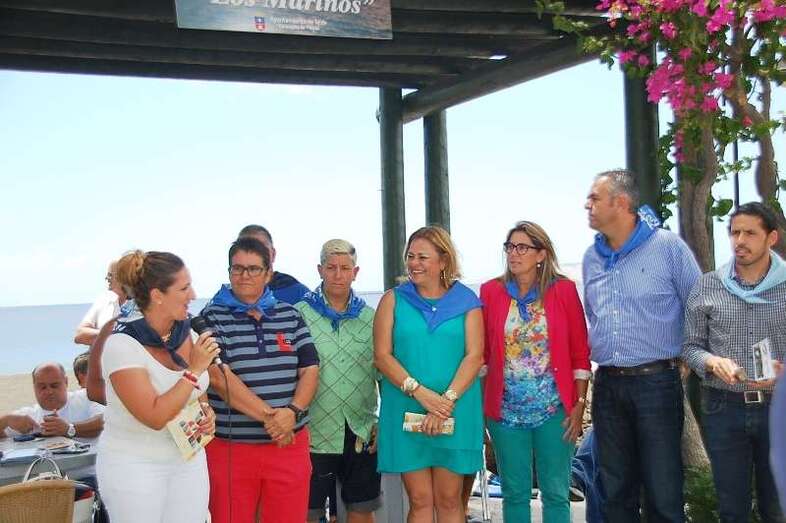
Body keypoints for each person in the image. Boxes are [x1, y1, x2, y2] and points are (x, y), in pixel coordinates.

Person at [583, 169, 701, 522]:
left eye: (594, 198)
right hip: (607, 385)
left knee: (663, 492)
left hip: (656, 385)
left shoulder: (668, 248)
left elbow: (699, 304)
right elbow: (594, 314)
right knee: (614, 493)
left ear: (621, 203)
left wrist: (687, 357)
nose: (587, 205)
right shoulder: (591, 258)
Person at [201, 236, 320, 523]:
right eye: (237, 268)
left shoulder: (291, 315)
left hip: (288, 445)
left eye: (253, 269)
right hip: (231, 450)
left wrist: (292, 412)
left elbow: (310, 368)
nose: (244, 275)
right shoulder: (210, 318)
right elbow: (219, 378)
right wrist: (273, 420)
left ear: (268, 274)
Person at [481, 220, 591, 522]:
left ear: (541, 254)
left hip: (555, 411)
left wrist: (579, 405)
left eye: (522, 248)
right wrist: (481, 410)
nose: (513, 254)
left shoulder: (564, 290)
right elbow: (483, 356)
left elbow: (580, 354)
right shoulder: (491, 291)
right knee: (514, 493)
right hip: (505, 412)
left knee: (556, 493)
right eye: (510, 247)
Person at [682, 202, 786, 522]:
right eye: (734, 232)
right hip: (723, 407)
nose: (740, 240)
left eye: (750, 233)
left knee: (777, 507)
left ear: (771, 238)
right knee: (731, 508)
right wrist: (712, 362)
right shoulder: (708, 285)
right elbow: (690, 347)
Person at [97, 250, 218, 523]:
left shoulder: (189, 333)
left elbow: (198, 394)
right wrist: (194, 370)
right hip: (135, 464)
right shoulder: (122, 344)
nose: (193, 295)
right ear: (157, 295)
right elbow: (154, 416)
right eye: (184, 288)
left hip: (188, 458)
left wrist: (206, 413)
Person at [374, 225, 484, 522]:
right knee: (420, 499)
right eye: (410, 256)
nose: (414, 263)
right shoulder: (393, 300)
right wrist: (421, 394)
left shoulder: (467, 302)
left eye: (422, 257)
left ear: (443, 260)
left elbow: (475, 356)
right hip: (407, 406)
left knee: (449, 499)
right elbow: (382, 355)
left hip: (455, 407)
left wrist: (444, 402)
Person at [295, 239, 382, 523]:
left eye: (345, 268)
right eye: (331, 267)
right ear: (319, 270)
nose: (338, 274)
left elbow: (384, 371)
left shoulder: (371, 318)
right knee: (307, 512)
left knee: (362, 509)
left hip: (360, 429)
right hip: (312, 429)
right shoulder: (298, 314)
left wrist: (382, 422)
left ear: (355, 272)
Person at [0, 362, 104, 438]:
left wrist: (69, 429)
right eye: (42, 387)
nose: (49, 391)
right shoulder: (29, 417)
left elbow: (106, 421)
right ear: (34, 387)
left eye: (54, 385)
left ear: (66, 382)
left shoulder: (87, 397)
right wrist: (5, 420)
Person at [238, 224, 310, 304]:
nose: (254, 255)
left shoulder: (299, 294)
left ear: (273, 254)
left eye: (261, 249)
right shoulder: (228, 297)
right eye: (246, 249)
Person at [74, 260, 127, 346]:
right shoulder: (104, 300)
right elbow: (80, 335)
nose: (106, 278)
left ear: (123, 277)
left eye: (110, 275)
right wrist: (115, 335)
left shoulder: (141, 304)